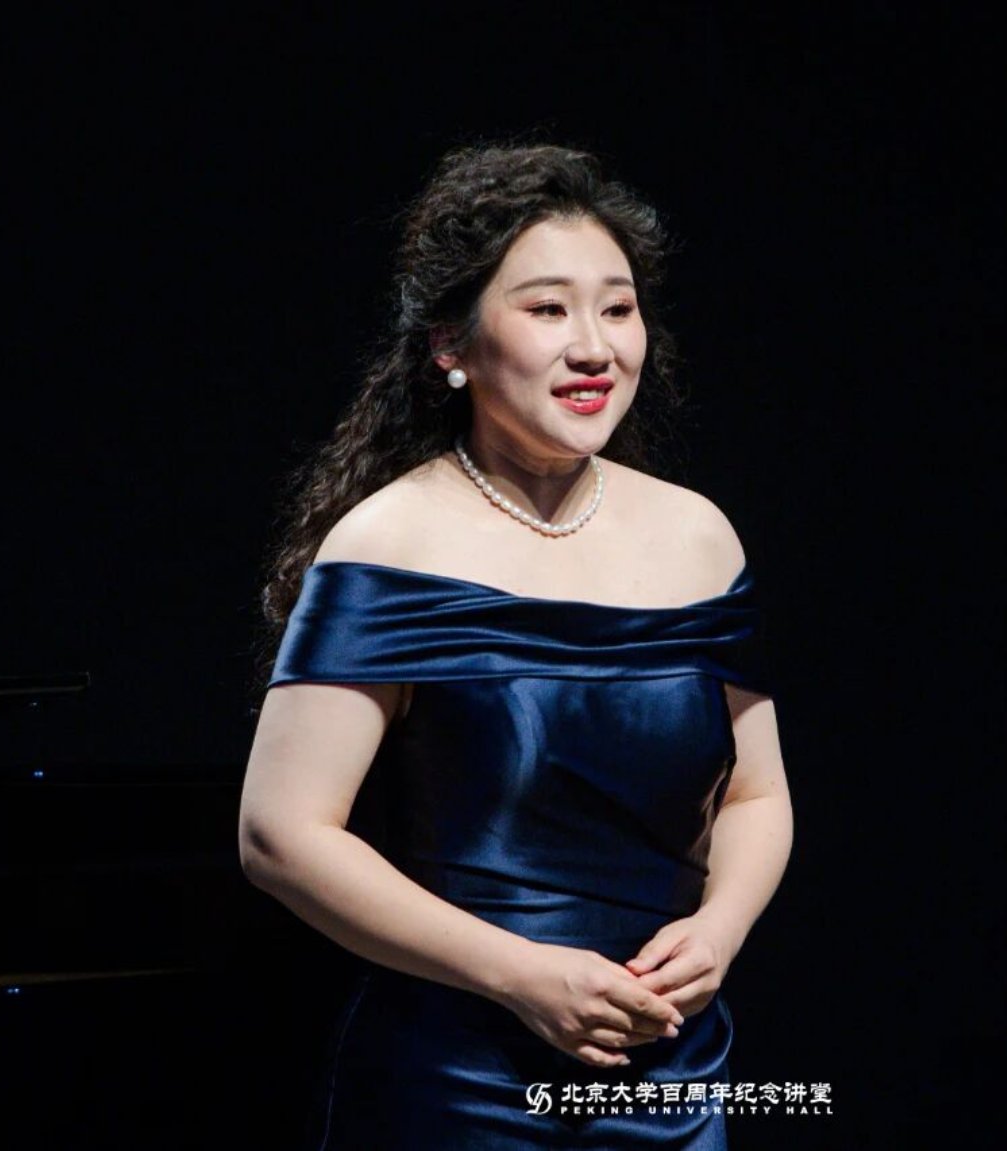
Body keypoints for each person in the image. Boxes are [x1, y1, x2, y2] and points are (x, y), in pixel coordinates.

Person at [238, 141, 794, 1150]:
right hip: (459, 1083)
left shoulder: (698, 536)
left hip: (668, 1071)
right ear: (450, 345)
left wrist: (718, 933)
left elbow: (755, 794)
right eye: (547, 309)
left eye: (617, 309)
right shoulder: (389, 544)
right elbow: (281, 832)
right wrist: (520, 974)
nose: (594, 347)